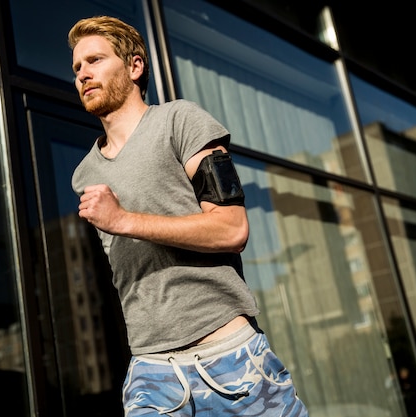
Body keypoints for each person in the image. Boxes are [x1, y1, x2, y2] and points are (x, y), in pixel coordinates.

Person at [68, 15, 308, 416]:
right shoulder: (83, 174)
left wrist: (124, 220)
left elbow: (232, 228)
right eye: (77, 68)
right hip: (151, 373)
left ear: (134, 66)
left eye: (94, 60)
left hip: (231, 361)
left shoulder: (181, 122)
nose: (82, 74)